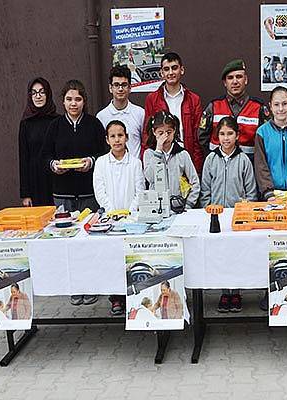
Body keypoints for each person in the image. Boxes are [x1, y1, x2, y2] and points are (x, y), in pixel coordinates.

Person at [41, 79, 107, 306]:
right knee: (67, 242)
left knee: (89, 241)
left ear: (84, 101)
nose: (73, 103)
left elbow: (104, 154)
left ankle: (92, 284)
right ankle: (74, 286)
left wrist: (91, 162)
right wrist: (53, 166)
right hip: (63, 194)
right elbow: (45, 157)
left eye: (77, 99)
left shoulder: (94, 124)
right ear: (63, 101)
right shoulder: (55, 126)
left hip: (89, 193)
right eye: (69, 99)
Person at [200, 116, 258, 313]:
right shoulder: (211, 159)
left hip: (238, 218)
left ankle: (236, 292)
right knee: (221, 256)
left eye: (230, 134)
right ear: (217, 137)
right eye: (222, 134)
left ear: (237, 136)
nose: (226, 138)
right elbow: (205, 189)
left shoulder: (243, 161)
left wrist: (244, 210)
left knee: (236, 255)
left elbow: (251, 192)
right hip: (216, 217)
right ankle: (225, 292)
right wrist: (209, 209)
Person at [93, 120, 145, 315]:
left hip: (131, 220)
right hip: (110, 219)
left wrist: (129, 212)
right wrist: (112, 211)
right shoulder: (101, 163)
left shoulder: (135, 163)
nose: (117, 140)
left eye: (120, 135)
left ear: (127, 138)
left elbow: (140, 191)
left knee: (130, 258)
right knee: (112, 259)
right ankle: (116, 298)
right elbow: (100, 191)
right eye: (113, 136)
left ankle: (133, 295)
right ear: (107, 140)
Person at [142, 52, 204, 172]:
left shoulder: (193, 99)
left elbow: (197, 136)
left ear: (182, 70)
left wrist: (196, 167)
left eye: (174, 68)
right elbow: (147, 134)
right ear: (161, 73)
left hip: (186, 158)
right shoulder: (152, 99)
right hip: (161, 159)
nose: (170, 73)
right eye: (166, 69)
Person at [198, 59, 270, 161]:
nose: (235, 81)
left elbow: (266, 141)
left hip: (249, 167)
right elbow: (202, 138)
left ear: (246, 80)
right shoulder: (214, 106)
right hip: (219, 166)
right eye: (230, 78)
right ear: (225, 82)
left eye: (239, 77)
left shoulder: (259, 108)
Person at [254, 86, 287, 206]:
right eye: (276, 104)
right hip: (270, 197)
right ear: (270, 106)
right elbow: (260, 165)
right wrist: (268, 193)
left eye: (284, 104)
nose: (281, 109)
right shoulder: (262, 133)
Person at [143, 111, 200, 210]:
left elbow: (195, 182)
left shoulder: (182, 154)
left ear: (174, 131)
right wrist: (158, 151)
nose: (165, 136)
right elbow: (150, 178)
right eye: (160, 133)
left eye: (169, 132)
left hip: (179, 207)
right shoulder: (149, 153)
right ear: (153, 132)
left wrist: (188, 205)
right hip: (157, 207)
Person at [19, 77, 59, 206]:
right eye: (34, 93)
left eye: (42, 92)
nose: (38, 96)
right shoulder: (26, 123)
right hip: (35, 180)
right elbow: (23, 158)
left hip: (56, 178)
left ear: (48, 94)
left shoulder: (57, 120)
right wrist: (25, 194)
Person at [96, 66, 145, 162]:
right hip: (110, 171)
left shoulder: (140, 113)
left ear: (130, 87)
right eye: (116, 85)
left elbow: (145, 144)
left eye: (124, 85)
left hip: (134, 170)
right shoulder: (101, 117)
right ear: (110, 88)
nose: (120, 89)